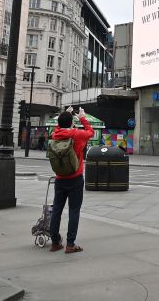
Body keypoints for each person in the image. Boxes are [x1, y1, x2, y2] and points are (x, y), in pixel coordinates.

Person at [48, 106, 94, 255]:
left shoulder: (55, 134)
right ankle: (70, 244)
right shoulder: (76, 135)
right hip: (75, 178)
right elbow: (90, 132)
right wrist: (82, 117)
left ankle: (55, 242)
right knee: (74, 210)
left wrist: (65, 115)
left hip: (60, 178)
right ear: (72, 123)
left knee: (57, 210)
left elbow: (59, 128)